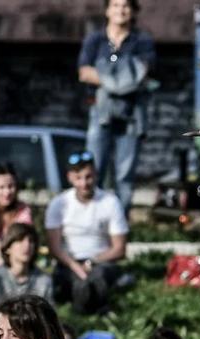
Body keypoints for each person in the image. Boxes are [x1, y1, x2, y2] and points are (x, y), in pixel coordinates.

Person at [77, 0, 156, 212]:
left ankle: (119, 226)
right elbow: (84, 72)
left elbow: (144, 73)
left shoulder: (142, 40)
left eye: (125, 6)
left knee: (125, 174)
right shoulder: (96, 39)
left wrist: (104, 77)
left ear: (133, 11)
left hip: (132, 114)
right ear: (107, 10)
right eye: (115, 5)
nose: (121, 10)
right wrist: (123, 80)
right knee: (94, 169)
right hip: (100, 112)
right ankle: (93, 220)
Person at [45, 153, 130, 315]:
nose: (84, 183)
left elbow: (119, 249)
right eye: (78, 178)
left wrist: (92, 262)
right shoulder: (58, 204)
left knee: (98, 278)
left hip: (100, 260)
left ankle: (88, 310)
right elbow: (54, 247)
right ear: (70, 178)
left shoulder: (110, 201)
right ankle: (85, 313)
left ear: (96, 175)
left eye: (88, 177)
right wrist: (75, 266)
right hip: (69, 261)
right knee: (78, 283)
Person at [0, 224, 54, 339]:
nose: (27, 245)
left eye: (31, 241)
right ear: (8, 247)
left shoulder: (43, 280)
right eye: (20, 240)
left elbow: (50, 324)